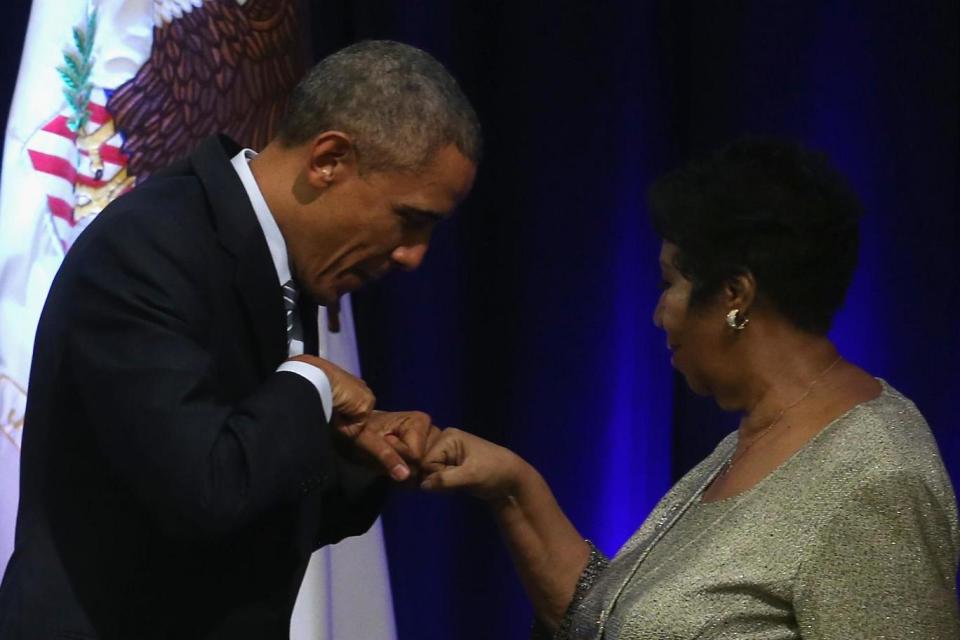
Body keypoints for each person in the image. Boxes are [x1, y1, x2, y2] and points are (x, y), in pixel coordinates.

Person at [0, 40, 480, 639]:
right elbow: (204, 491)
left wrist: (364, 456)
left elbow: (253, 504)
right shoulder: (148, 248)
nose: (414, 256)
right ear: (328, 159)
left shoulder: (281, 259)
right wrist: (312, 383)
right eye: (410, 219)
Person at [420, 139, 960, 639]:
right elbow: (621, 625)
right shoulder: (754, 437)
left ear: (734, 294)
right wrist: (514, 489)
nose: (659, 315)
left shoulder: (878, 477)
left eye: (670, 283)